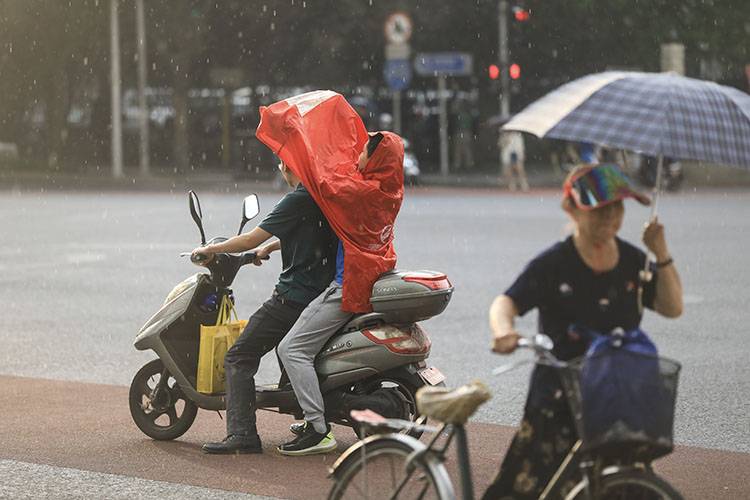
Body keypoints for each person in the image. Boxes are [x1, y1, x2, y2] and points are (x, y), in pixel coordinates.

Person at [484, 163, 683, 499]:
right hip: (559, 396)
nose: (610, 217)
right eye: (600, 209)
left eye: (616, 208)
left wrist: (661, 252)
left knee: (626, 486)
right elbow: (507, 302)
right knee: (527, 486)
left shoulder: (635, 261)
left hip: (616, 395)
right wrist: (503, 330)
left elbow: (672, 307)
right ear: (571, 209)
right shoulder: (554, 263)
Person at [275, 131, 405, 456]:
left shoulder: (360, 191)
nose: (357, 156)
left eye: (363, 152)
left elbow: (325, 185)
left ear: (375, 160)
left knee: (292, 349)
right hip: (371, 277)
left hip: (349, 284)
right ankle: (313, 412)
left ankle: (318, 430)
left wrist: (301, 156)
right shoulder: (388, 189)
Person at [196, 160, 337, 454]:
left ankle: (242, 434)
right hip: (319, 291)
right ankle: (307, 413)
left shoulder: (297, 198)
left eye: (281, 162)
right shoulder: (322, 194)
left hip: (294, 296)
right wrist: (270, 248)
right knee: (285, 348)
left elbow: (250, 237)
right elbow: (307, 234)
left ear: (287, 166)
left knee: (239, 356)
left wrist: (210, 250)